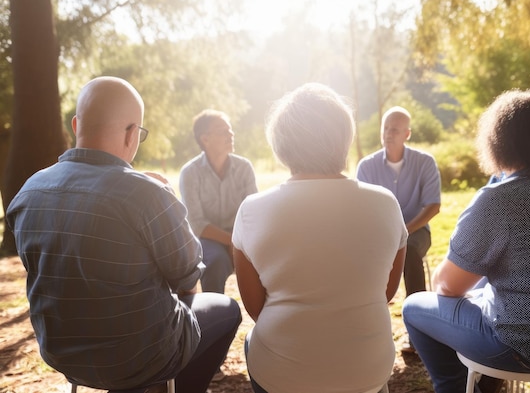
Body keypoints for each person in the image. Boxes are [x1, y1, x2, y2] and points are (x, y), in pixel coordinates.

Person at [6, 76, 242, 393]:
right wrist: (166, 197)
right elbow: (187, 275)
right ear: (132, 134)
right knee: (227, 310)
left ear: (76, 126)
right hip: (141, 357)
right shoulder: (147, 195)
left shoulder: (28, 191)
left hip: (61, 353)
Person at [402, 89, 530, 393]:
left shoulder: (499, 199)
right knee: (484, 283)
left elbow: (446, 285)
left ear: (498, 142)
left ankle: (454, 388)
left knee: (413, 308)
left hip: (521, 349)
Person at [232, 83, 408, 393]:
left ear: (281, 144)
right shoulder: (386, 203)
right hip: (367, 369)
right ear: (344, 138)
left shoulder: (252, 210)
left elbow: (256, 308)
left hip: (283, 374)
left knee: (252, 341)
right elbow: (386, 292)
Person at [356, 105, 441, 353]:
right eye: (385, 128)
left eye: (395, 129)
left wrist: (402, 231)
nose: (388, 133)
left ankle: (418, 335)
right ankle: (364, 329)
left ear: (407, 134)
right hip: (378, 234)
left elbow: (433, 206)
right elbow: (362, 209)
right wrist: (383, 234)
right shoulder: (367, 166)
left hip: (416, 232)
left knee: (411, 254)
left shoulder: (425, 162)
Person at [179, 109, 257, 294]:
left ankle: (266, 318)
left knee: (266, 257)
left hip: (242, 234)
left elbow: (253, 213)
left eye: (230, 130)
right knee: (214, 262)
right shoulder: (190, 172)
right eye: (223, 131)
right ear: (205, 139)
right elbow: (196, 224)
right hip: (207, 238)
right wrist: (230, 240)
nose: (231, 134)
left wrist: (238, 240)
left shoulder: (244, 167)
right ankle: (215, 316)